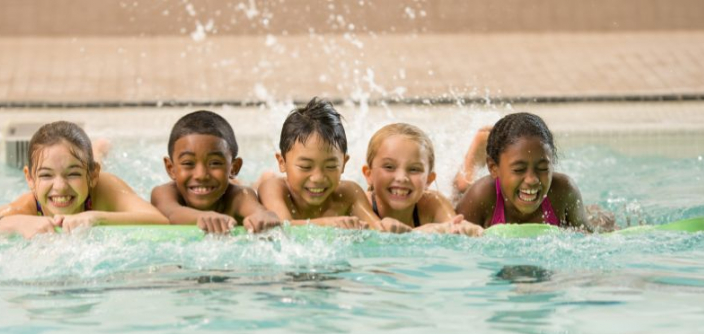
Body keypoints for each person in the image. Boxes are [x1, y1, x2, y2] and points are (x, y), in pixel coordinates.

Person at [0, 121, 167, 238]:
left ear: (92, 175)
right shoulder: (26, 207)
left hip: (96, 180)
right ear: (29, 178)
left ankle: (98, 150)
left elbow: (160, 221)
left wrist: (97, 217)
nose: (60, 187)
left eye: (72, 174)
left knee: (94, 158)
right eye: (45, 175)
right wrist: (14, 224)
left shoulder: (104, 186)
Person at [259, 98, 398, 231]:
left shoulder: (349, 194)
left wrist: (388, 226)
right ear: (282, 162)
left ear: (343, 163)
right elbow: (283, 227)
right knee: (266, 179)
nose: (318, 178)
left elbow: (376, 228)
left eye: (331, 166)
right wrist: (328, 223)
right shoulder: (273, 188)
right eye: (306, 167)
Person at [455, 112, 595, 229]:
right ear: (493, 167)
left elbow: (587, 235)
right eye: (519, 169)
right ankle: (477, 150)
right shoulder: (480, 196)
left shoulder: (564, 191)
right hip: (482, 193)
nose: (532, 179)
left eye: (542, 168)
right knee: (463, 187)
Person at [150, 110, 281, 234]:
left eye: (215, 163)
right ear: (170, 168)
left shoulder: (238, 195)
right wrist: (203, 217)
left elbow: (259, 212)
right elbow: (172, 213)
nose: (201, 175)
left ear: (234, 168)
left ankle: (262, 181)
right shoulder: (164, 193)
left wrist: (265, 216)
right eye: (188, 163)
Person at [361, 123, 483, 236]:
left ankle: (466, 173)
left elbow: (456, 228)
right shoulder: (361, 205)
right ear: (369, 175)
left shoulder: (432, 203)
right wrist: (432, 229)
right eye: (389, 167)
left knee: (462, 199)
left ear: (429, 180)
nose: (402, 178)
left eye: (414, 169)